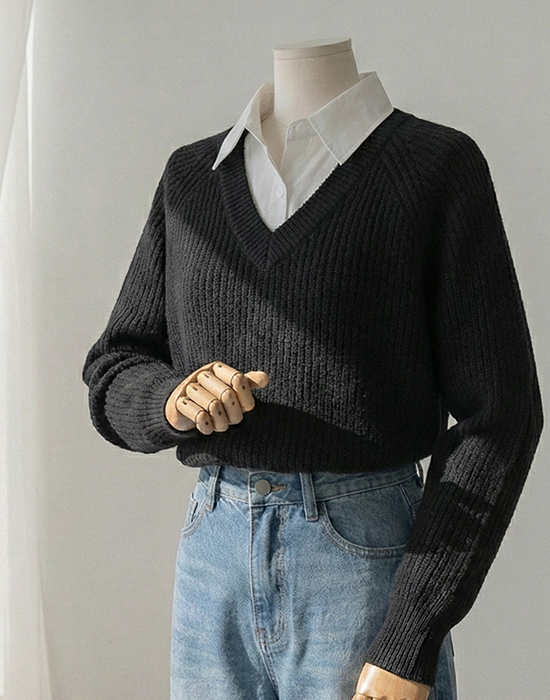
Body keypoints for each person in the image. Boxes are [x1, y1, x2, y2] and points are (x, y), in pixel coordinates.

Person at [82, 37, 544, 700]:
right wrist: (172, 398)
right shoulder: (192, 177)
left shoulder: (434, 168)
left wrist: (410, 635)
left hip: (362, 560)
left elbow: (501, 414)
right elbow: (115, 365)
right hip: (213, 556)